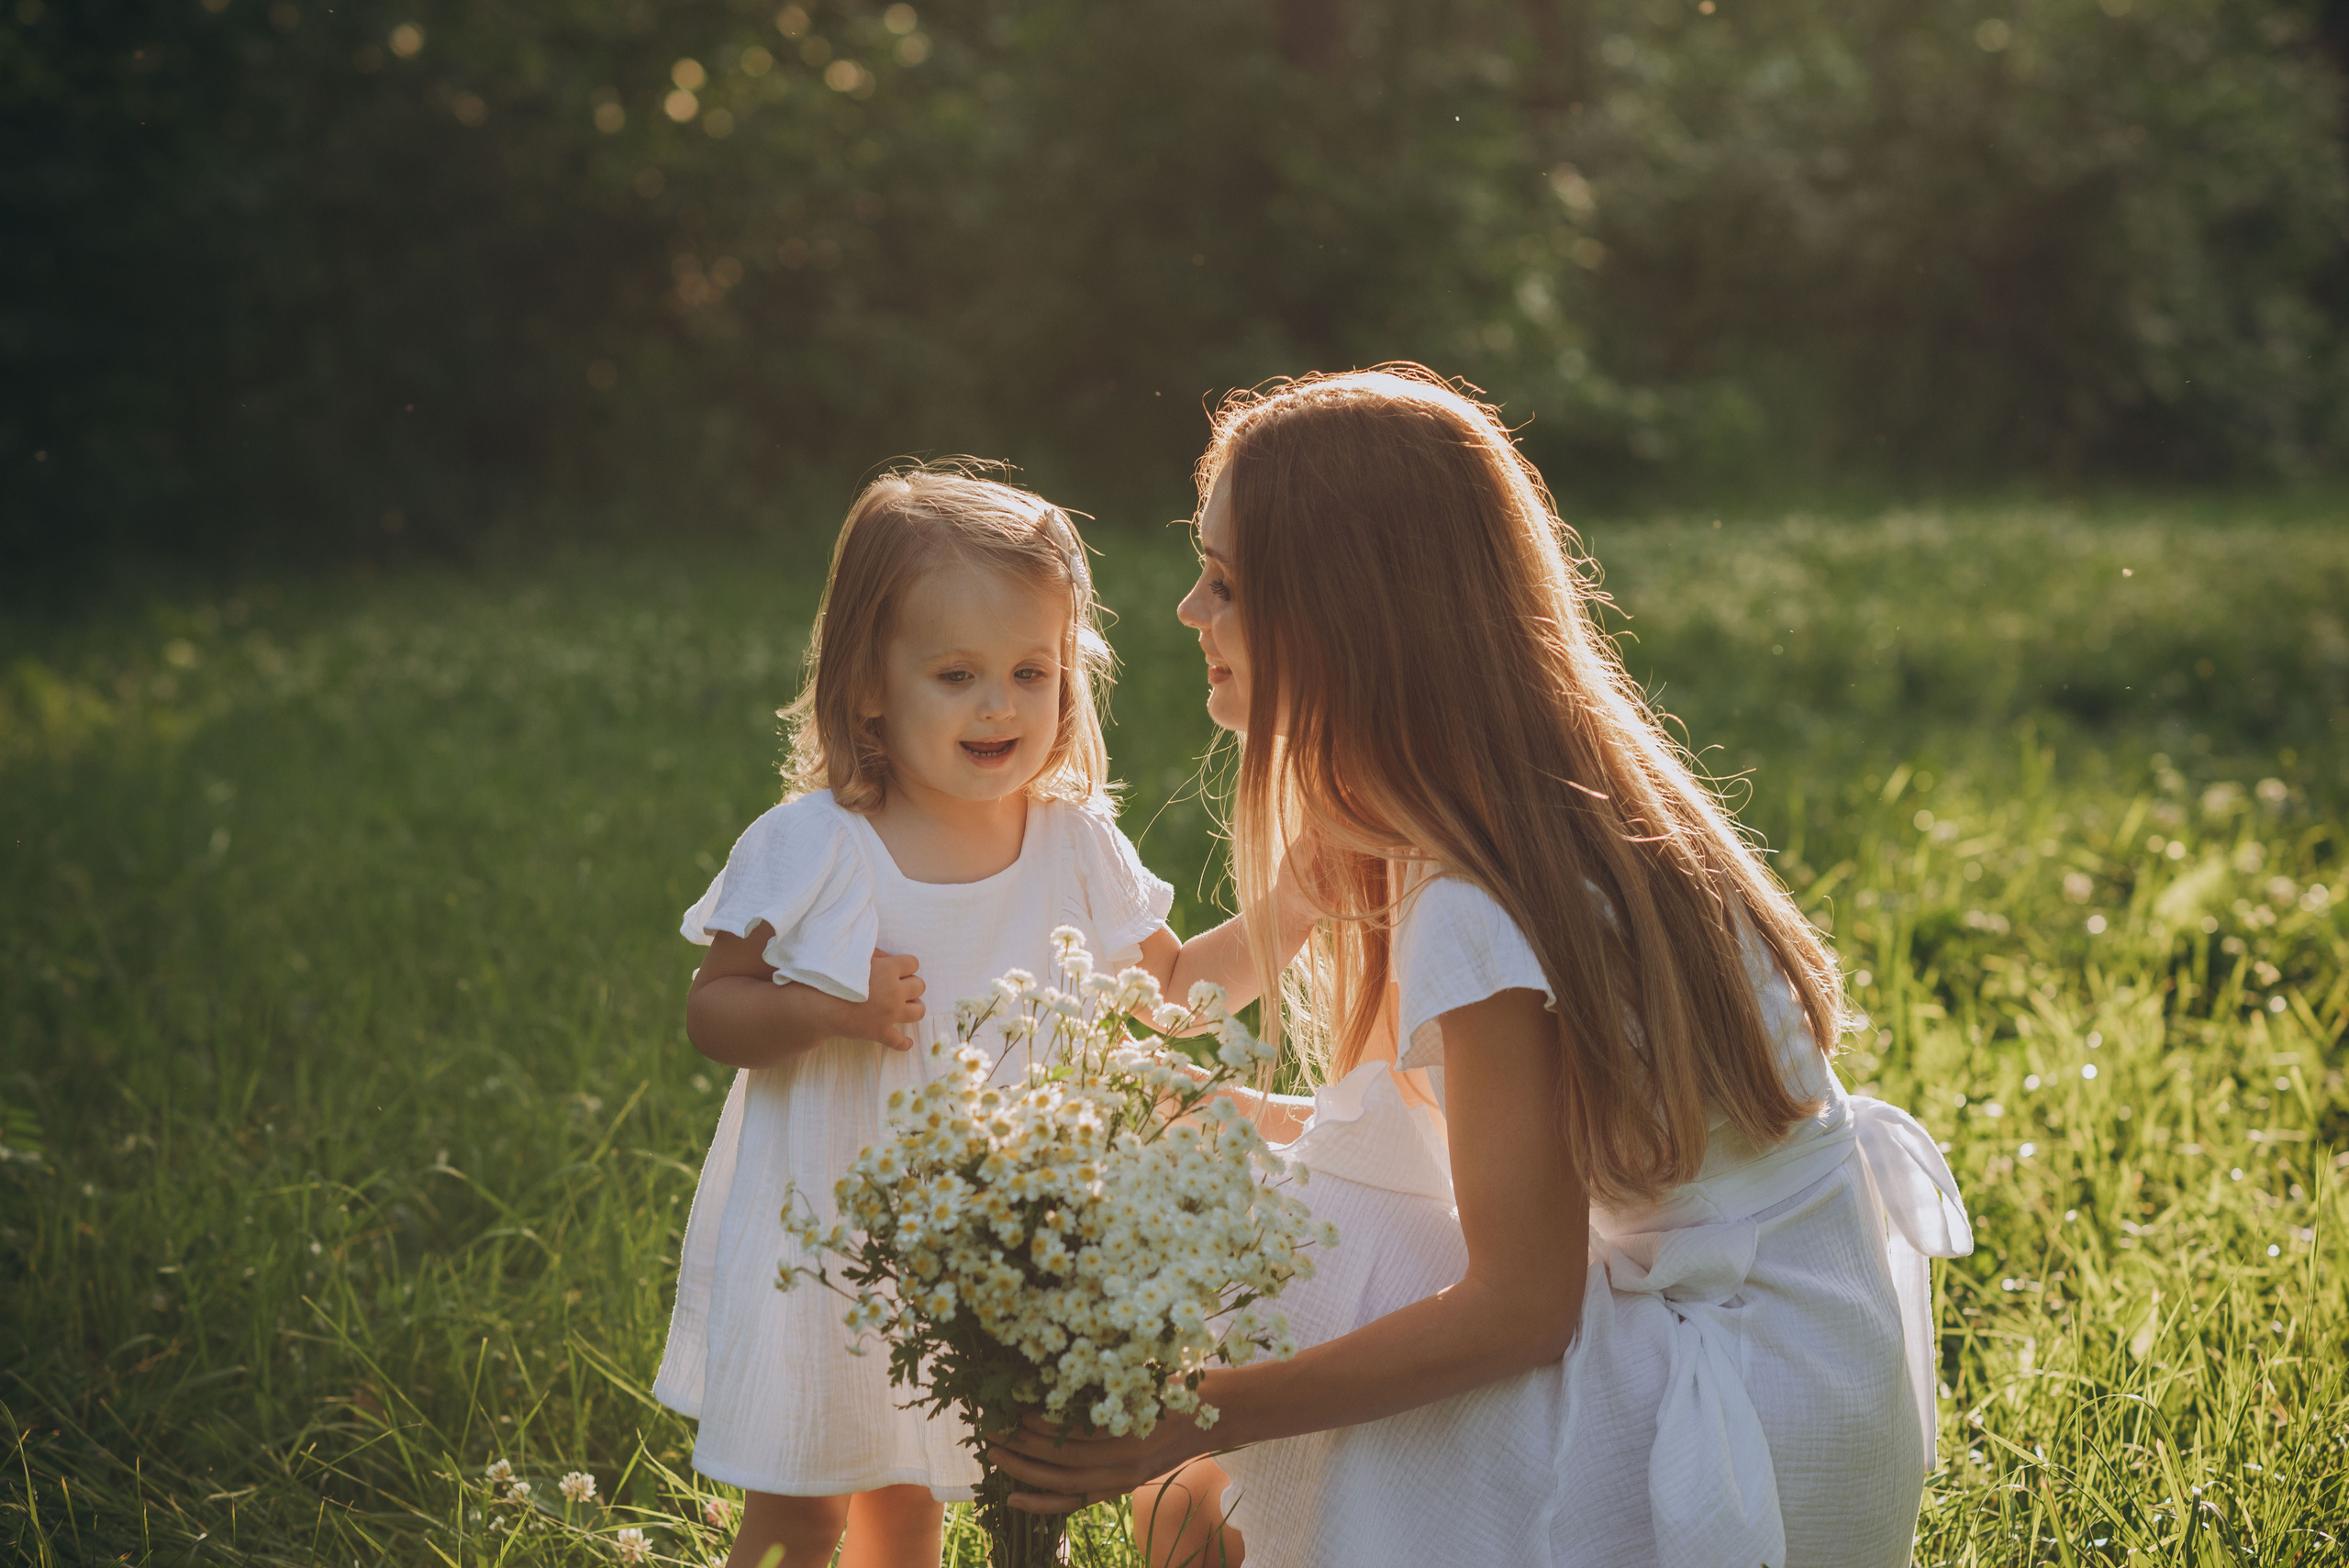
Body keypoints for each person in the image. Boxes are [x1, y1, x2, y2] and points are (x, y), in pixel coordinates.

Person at [986, 369, 1975, 1568]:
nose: (1190, 609)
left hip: (1729, 1449)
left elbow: (1521, 1304)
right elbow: (1492, 1151)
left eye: (1230, 584)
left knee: (1305, 1234)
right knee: (1282, 1174)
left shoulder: (1473, 896)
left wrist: (1197, 1413)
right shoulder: (1526, 808)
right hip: (1809, 1393)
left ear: (1351, 617)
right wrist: (1230, 1113)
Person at [654, 467, 1220, 1568]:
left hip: (990, 1251)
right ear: (869, 685)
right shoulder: (818, 844)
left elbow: (1176, 992)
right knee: (804, 1503)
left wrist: (1302, 898)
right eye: (955, 674)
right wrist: (824, 1008)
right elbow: (713, 1010)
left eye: (1030, 671)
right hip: (828, 1231)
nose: (999, 704)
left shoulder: (1071, 841)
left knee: (911, 1497)